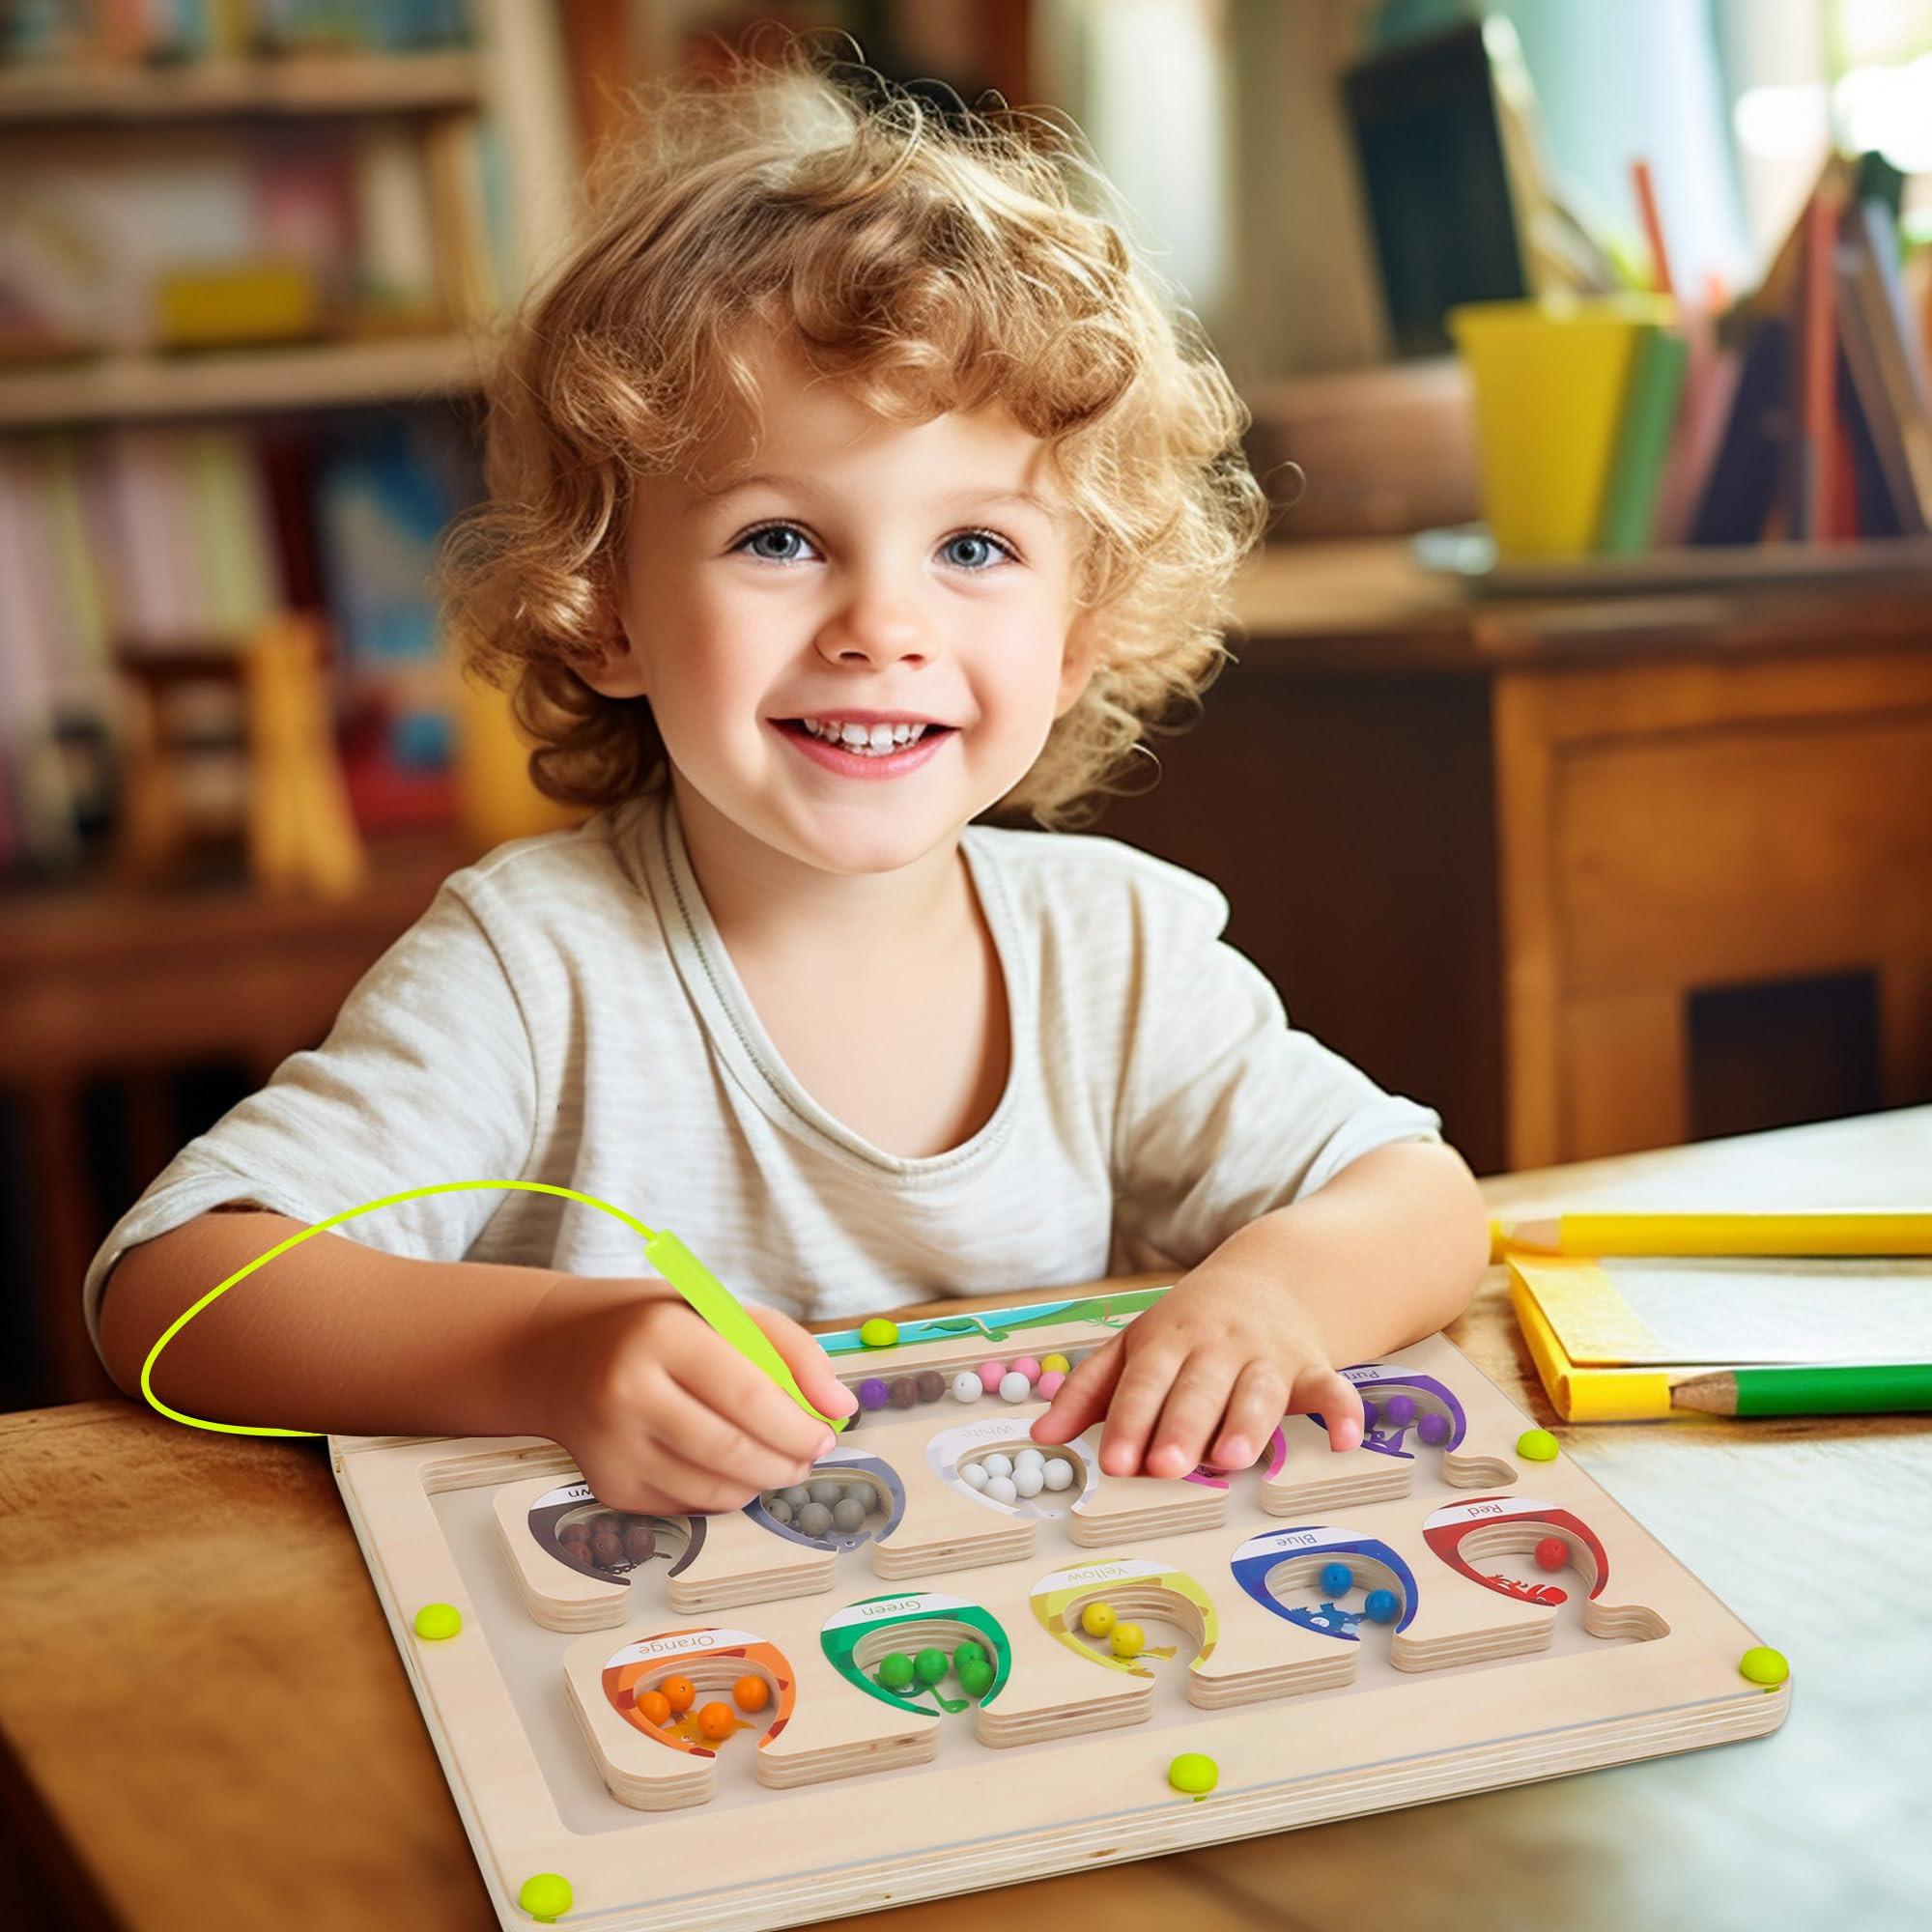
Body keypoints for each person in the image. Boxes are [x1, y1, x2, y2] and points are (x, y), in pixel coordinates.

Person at [90, 37, 1490, 1520]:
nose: (882, 626)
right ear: (607, 608)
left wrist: (1273, 1296)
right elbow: (170, 1294)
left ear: (1079, 634)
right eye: (779, 539)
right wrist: (548, 1353)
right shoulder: (535, 965)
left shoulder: (1117, 952)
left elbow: (1422, 1200)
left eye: (974, 547)